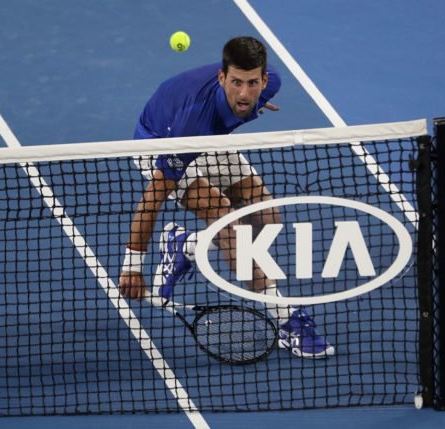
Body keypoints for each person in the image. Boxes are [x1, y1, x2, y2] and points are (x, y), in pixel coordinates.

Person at [119, 36, 333, 359]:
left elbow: (247, 100)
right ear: (222, 78)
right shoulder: (191, 124)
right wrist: (132, 267)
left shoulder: (271, 83)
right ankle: (286, 318)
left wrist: (256, 104)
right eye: (236, 83)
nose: (244, 94)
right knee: (221, 213)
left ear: (263, 79)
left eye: (252, 84)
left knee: (267, 218)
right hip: (163, 141)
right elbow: (153, 198)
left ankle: (186, 245)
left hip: (209, 138)